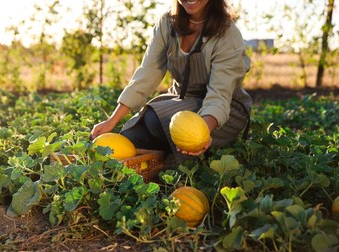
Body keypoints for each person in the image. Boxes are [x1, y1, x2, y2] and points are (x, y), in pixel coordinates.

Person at [90, 0, 252, 166]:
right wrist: (111, 121)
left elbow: (220, 95)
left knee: (155, 120)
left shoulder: (227, 34)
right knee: (133, 136)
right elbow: (148, 72)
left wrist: (201, 133)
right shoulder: (168, 23)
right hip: (182, 100)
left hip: (225, 109)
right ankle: (162, 159)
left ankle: (172, 164)